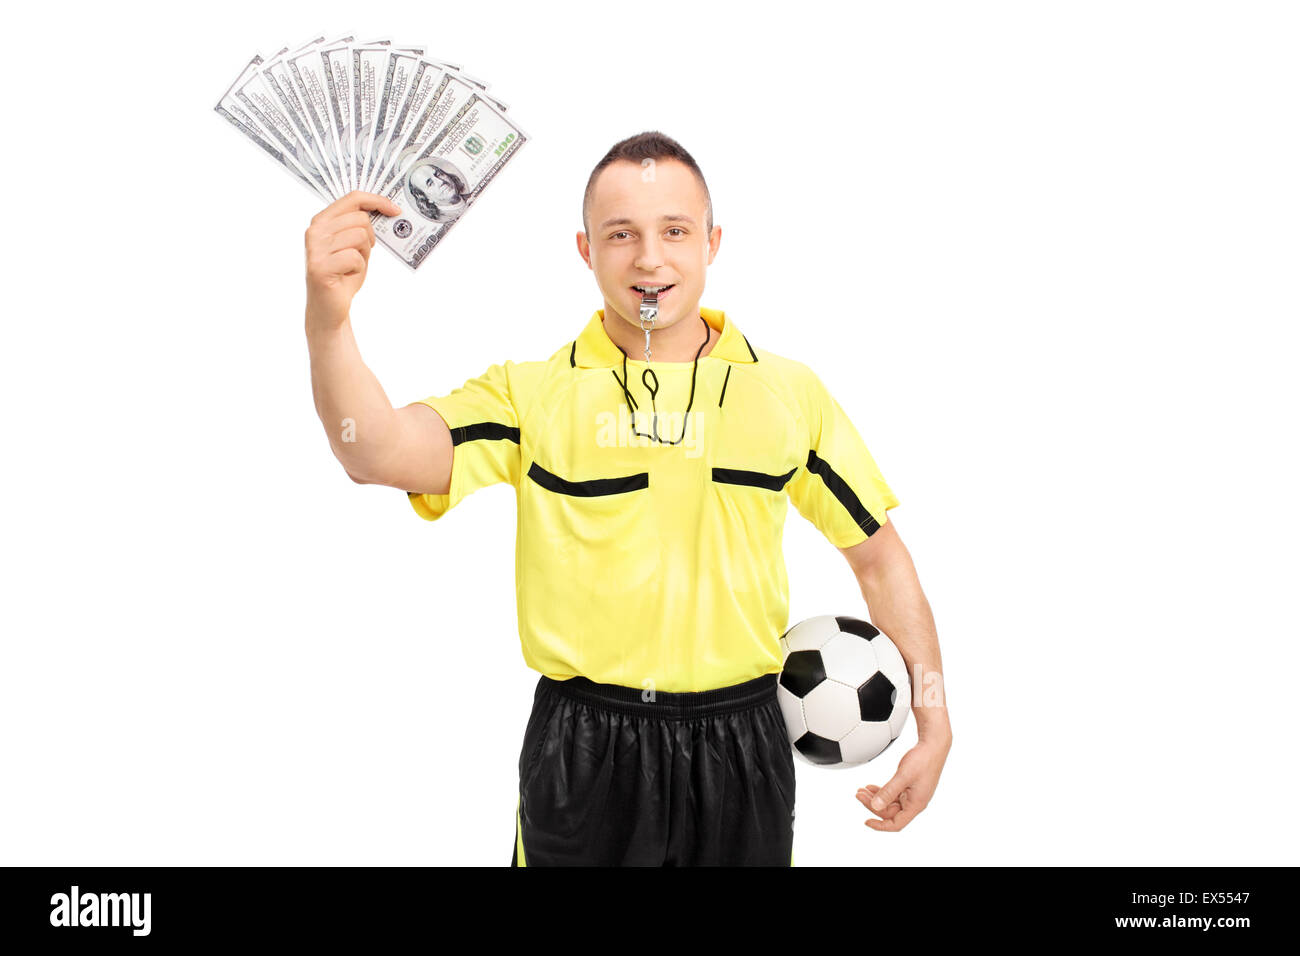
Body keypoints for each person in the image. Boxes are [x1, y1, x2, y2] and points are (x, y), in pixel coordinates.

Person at [303, 131, 952, 866]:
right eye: (621, 235)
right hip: (585, 749)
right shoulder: (534, 396)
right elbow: (373, 451)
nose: (650, 258)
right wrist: (329, 319)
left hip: (743, 743)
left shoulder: (788, 394)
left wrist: (934, 721)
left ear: (711, 243)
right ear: (585, 250)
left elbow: (879, 559)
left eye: (674, 231)